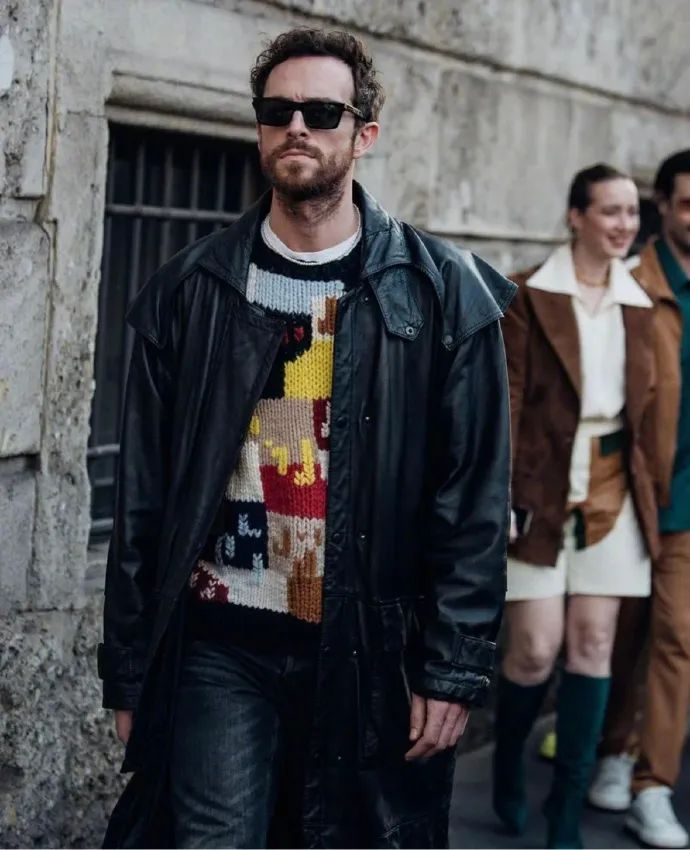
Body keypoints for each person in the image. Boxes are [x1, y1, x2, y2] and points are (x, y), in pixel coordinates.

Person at [97, 27, 516, 849]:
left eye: (321, 112)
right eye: (276, 111)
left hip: (367, 650)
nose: (296, 127)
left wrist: (453, 668)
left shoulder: (442, 295)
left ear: (364, 134)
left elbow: (471, 501)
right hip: (221, 645)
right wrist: (130, 668)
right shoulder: (189, 291)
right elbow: (143, 498)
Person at [493, 164, 660, 848]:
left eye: (632, 212)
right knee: (534, 650)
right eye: (610, 211)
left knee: (594, 643)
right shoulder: (529, 294)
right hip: (539, 483)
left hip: (613, 481)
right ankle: (506, 761)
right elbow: (506, 401)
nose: (624, 225)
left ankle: (566, 809)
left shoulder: (640, 302)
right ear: (576, 216)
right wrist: (504, 494)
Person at [587, 150, 690, 849]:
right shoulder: (630, 287)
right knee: (623, 633)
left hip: (686, 503)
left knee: (677, 636)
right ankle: (614, 750)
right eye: (687, 203)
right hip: (634, 491)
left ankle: (653, 786)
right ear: (664, 206)